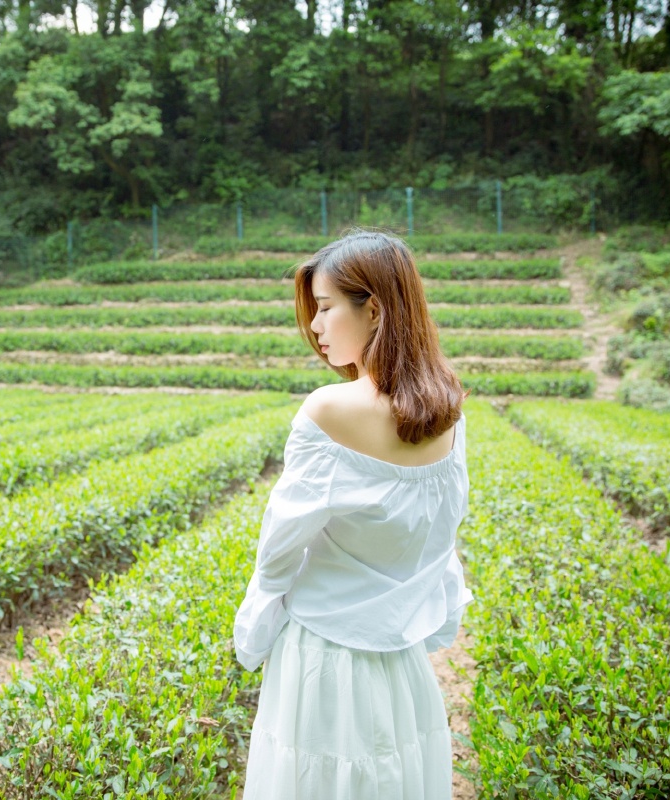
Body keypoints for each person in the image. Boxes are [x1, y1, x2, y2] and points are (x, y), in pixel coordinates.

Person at [232, 229, 474, 799]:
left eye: (324, 308)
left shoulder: (326, 410)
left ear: (375, 311)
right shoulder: (449, 414)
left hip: (323, 653)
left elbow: (280, 549)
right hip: (401, 662)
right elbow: (443, 539)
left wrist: (255, 631)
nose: (314, 327)